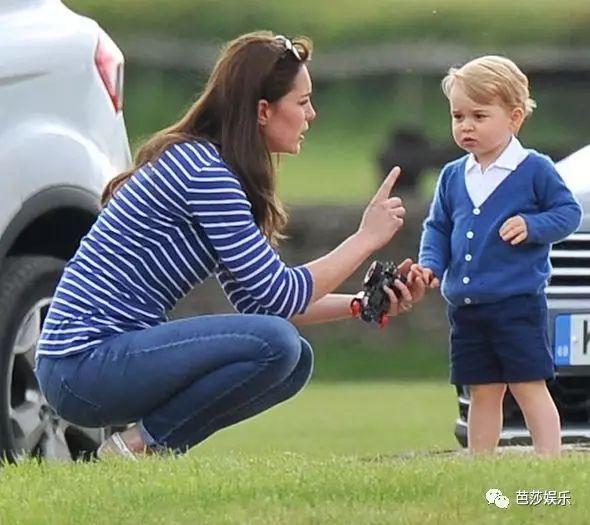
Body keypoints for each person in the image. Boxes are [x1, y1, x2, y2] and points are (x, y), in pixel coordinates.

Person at [35, 31, 426, 459]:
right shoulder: (206, 174)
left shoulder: (213, 169)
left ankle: (147, 449)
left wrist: (362, 304)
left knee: (293, 362)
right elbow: (282, 296)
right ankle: (138, 446)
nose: (312, 114)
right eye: (302, 102)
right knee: (279, 343)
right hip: (82, 366)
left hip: (93, 365)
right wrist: (365, 238)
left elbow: (261, 303)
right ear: (263, 110)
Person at [413, 55, 582, 456]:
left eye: (479, 115)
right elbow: (438, 227)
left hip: (517, 304)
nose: (466, 126)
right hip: (468, 309)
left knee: (527, 384)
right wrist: (431, 265)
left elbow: (568, 213)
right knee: (482, 389)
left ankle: (549, 463)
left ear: (515, 117)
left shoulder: (534, 169)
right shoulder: (454, 175)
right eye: (458, 116)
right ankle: (481, 466)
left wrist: (533, 226)